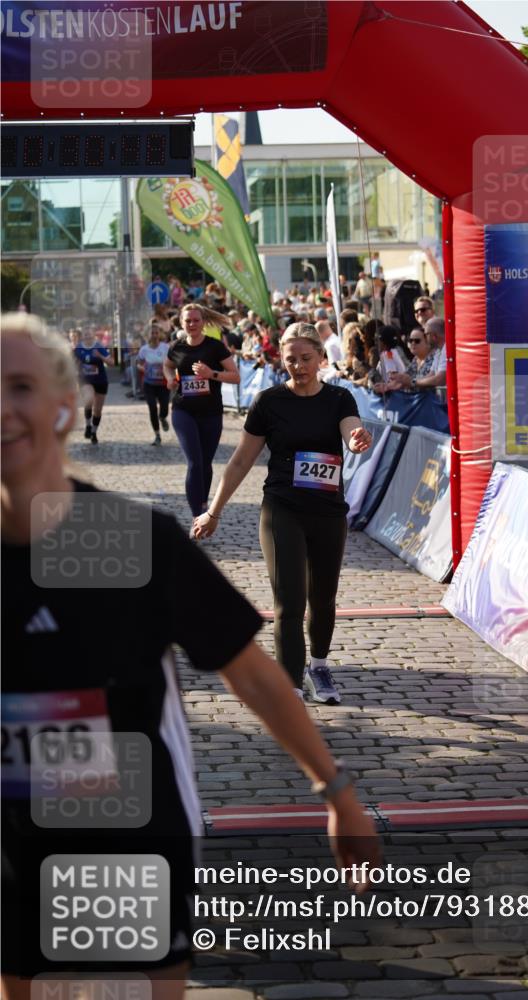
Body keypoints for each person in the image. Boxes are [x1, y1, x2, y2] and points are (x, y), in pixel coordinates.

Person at [1, 312, 380, 1000]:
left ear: (65, 407)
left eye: (20, 387)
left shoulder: (124, 541)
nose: (2, 407)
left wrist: (336, 793)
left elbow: (250, 674)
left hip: (124, 833)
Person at [194, 322, 372, 704]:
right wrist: (214, 511)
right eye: (291, 359)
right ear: (281, 359)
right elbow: (241, 460)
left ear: (321, 358)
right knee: (289, 602)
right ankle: (290, 683)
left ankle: (318, 668)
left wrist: (357, 439)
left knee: (323, 599)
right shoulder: (269, 402)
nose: (299, 366)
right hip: (282, 510)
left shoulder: (339, 399)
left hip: (327, 512)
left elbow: (351, 432)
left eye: (306, 358)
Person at [164, 303, 240, 532]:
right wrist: (170, 378)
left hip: (211, 412)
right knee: (195, 462)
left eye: (196, 320)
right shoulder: (176, 346)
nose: (192, 324)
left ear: (203, 322)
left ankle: (204, 504)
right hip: (183, 410)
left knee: (205, 464)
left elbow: (235, 376)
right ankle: (197, 515)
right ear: (181, 323)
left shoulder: (215, 347)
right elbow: (167, 365)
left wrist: (211, 374)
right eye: (187, 321)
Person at [72, 326, 113, 444]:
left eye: (89, 334)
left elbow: (111, 363)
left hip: (100, 380)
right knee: (88, 399)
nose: (88, 336)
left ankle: (94, 432)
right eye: (85, 334)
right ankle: (88, 425)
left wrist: (100, 356)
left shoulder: (99, 347)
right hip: (85, 380)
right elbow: (71, 363)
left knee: (98, 410)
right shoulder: (78, 348)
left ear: (93, 335)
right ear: (82, 337)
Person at [137, 324, 171, 445]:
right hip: (149, 384)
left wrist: (168, 370)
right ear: (148, 335)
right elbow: (138, 363)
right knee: (152, 408)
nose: (155, 335)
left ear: (160, 334)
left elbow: (172, 363)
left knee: (164, 408)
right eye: (152, 333)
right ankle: (157, 435)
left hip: (163, 384)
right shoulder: (144, 350)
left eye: (156, 333)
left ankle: (162, 418)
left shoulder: (165, 347)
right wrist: (142, 368)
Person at [387, 327, 438, 393]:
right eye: (410, 340)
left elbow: (425, 384)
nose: (413, 343)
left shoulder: (435, 359)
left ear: (428, 343)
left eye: (417, 341)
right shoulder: (416, 359)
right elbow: (406, 377)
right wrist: (390, 384)